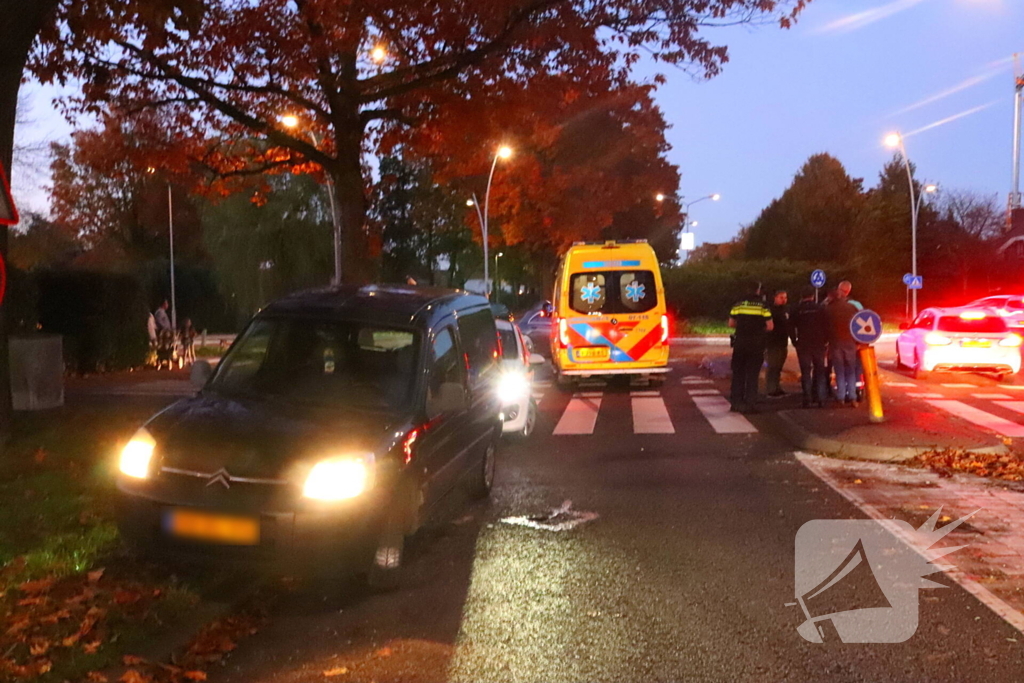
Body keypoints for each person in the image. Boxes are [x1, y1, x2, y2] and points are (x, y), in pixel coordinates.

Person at [728, 281, 773, 414]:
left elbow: (731, 323)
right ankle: (750, 404)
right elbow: (770, 326)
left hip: (740, 343)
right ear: (757, 290)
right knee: (752, 374)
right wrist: (759, 328)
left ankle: (736, 402)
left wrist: (743, 326)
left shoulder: (738, 304)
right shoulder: (763, 305)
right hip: (756, 344)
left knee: (738, 373)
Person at [790, 287, 829, 408]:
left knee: (806, 371)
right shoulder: (821, 308)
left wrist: (794, 340)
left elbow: (790, 327)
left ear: (802, 297)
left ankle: (807, 399)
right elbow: (828, 325)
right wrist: (826, 341)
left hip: (803, 344)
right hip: (819, 344)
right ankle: (821, 399)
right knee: (820, 371)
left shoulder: (796, 309)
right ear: (812, 296)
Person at [827, 280, 860, 407]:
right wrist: (858, 342)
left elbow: (826, 327)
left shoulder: (829, 308)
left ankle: (841, 396)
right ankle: (852, 397)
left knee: (839, 370)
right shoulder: (852, 307)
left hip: (835, 343)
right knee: (851, 370)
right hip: (850, 343)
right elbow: (858, 326)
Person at [765, 290, 790, 398]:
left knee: (778, 367)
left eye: (785, 297)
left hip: (782, 342)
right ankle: (771, 389)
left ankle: (777, 387)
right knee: (772, 367)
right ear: (775, 298)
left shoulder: (785, 310)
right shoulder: (771, 310)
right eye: (781, 297)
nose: (783, 299)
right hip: (772, 343)